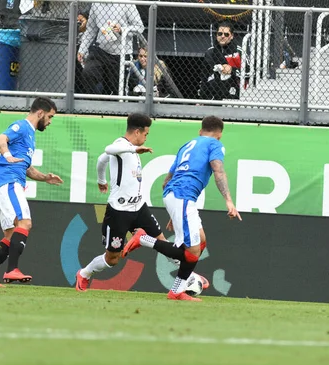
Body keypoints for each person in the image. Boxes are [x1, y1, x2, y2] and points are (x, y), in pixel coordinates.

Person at [74, 113, 209, 292]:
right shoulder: (121, 145)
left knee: (163, 243)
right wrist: (102, 178)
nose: (146, 137)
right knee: (113, 259)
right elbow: (107, 151)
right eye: (145, 134)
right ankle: (84, 274)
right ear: (137, 132)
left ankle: (190, 278)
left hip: (139, 208)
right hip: (119, 211)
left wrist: (102, 180)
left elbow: (101, 161)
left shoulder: (129, 148)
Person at [122, 116, 242, 301]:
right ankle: (143, 239)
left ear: (200, 131)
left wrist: (175, 213)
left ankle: (177, 290)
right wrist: (229, 201)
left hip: (177, 196)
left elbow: (166, 180)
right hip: (183, 196)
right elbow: (218, 170)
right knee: (191, 251)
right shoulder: (215, 145)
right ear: (219, 136)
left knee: (200, 242)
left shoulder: (187, 145)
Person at [0, 97, 64, 287]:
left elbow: (27, 168)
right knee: (25, 222)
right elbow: (0, 139)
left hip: (8, 181)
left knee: (11, 235)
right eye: (49, 117)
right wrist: (7, 156)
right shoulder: (22, 126)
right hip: (8, 181)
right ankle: (11, 271)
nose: (49, 122)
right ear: (40, 113)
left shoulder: (30, 136)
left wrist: (45, 178)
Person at [77, 2, 144, 95]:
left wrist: (122, 29)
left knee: (117, 89)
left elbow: (139, 27)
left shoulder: (127, 3)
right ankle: (96, 103)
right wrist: (82, 49)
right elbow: (91, 29)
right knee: (88, 74)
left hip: (121, 53)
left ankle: (118, 105)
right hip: (101, 50)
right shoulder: (96, 4)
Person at [198, 22, 245, 102]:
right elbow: (204, 76)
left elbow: (248, 72)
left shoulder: (239, 51)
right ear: (216, 35)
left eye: (226, 34)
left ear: (232, 36)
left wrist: (231, 70)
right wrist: (201, 98)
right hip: (214, 93)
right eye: (220, 34)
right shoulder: (210, 52)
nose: (223, 36)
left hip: (234, 93)